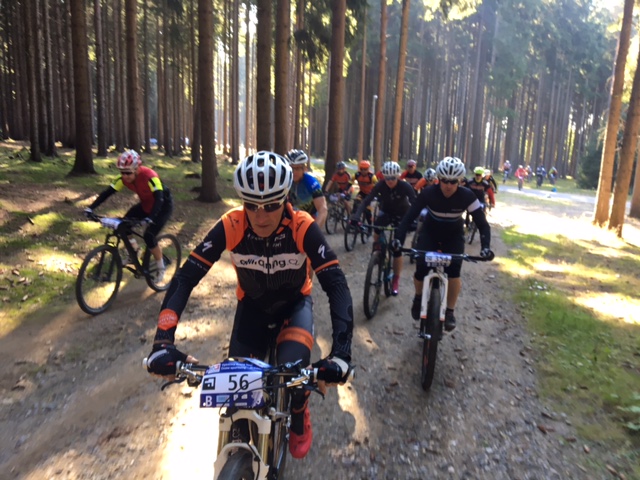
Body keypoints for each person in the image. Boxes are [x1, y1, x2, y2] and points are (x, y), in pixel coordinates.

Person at [144, 151, 354, 460]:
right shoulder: (232, 224)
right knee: (238, 399)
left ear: (286, 198)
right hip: (252, 310)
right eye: (251, 204)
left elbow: (335, 284)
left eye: (271, 205)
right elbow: (186, 278)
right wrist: (162, 342)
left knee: (296, 377)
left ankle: (298, 409)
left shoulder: (301, 226)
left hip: (294, 307)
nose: (260, 215)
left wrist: (341, 353)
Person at [393, 156, 493, 331]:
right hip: (430, 233)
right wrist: (398, 240)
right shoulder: (428, 193)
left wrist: (485, 247)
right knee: (421, 268)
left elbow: (483, 224)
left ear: (460, 181)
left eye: (453, 181)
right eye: (445, 180)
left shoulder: (467, 196)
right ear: (439, 179)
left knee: (454, 272)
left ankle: (450, 311)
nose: (448, 185)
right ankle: (418, 297)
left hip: (453, 236)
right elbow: (408, 219)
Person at [83, 150, 173, 282]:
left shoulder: (150, 176)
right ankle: (134, 251)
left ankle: (161, 266)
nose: (125, 176)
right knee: (123, 225)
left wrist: (150, 218)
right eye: (122, 172)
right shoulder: (123, 180)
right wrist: (90, 208)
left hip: (163, 207)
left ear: (137, 169)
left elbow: (159, 198)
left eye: (128, 173)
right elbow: (107, 193)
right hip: (145, 205)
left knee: (149, 236)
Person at [350, 161, 416, 296]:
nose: (390, 181)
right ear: (383, 177)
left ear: (398, 176)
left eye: (393, 178)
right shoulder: (380, 185)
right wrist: (356, 216)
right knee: (376, 229)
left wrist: (413, 220)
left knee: (397, 248)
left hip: (402, 216)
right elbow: (367, 200)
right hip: (386, 213)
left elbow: (415, 204)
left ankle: (396, 280)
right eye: (387, 178)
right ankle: (378, 252)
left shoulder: (405, 186)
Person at [286, 149, 328, 228]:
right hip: (293, 220)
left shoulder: (311, 182)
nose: (294, 172)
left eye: (298, 168)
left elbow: (323, 209)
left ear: (304, 169)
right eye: (291, 168)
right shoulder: (286, 181)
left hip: (309, 221)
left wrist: (316, 231)